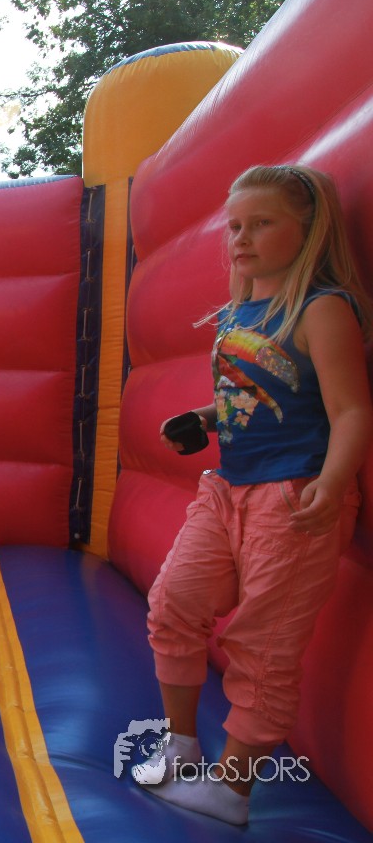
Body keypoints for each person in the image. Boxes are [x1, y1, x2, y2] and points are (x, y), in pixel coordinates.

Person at [137, 164, 372, 824]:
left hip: (293, 497)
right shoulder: (238, 313)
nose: (241, 238)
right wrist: (204, 419)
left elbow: (351, 409)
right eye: (235, 226)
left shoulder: (320, 309)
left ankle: (231, 791)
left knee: (263, 648)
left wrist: (334, 482)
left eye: (261, 224)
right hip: (228, 489)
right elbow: (256, 394)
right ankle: (182, 745)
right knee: (173, 605)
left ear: (309, 230)